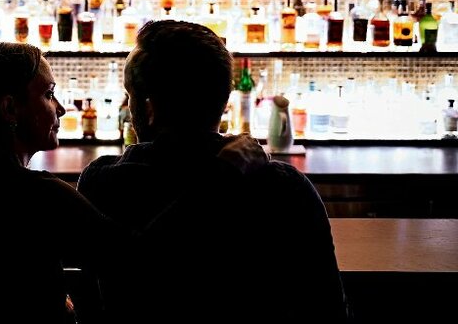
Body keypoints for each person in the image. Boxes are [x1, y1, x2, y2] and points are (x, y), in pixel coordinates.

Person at [0, 41, 265, 323]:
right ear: (9, 108)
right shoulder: (40, 196)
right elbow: (140, 263)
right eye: (47, 94)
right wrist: (222, 173)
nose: (61, 108)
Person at [77, 20, 350, 323]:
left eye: (130, 96)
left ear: (149, 109)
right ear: (223, 101)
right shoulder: (285, 187)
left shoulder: (102, 183)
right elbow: (328, 313)